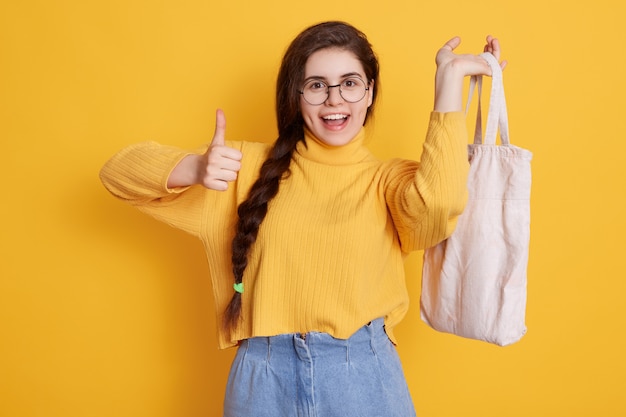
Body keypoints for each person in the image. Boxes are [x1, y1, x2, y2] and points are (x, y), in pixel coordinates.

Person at [100, 21, 505, 417]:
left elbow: (441, 204)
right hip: (262, 382)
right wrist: (194, 167)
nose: (334, 100)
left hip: (361, 377)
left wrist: (448, 86)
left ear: (369, 93)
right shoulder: (244, 169)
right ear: (295, 97)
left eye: (349, 83)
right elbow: (117, 174)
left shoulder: (388, 181)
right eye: (317, 86)